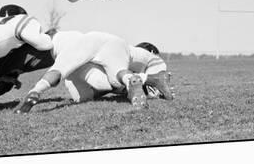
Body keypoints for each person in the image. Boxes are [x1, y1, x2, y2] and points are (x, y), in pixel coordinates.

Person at [14, 31, 171, 114]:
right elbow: (155, 60)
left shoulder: (62, 43)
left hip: (90, 46)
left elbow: (57, 70)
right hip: (105, 45)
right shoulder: (71, 37)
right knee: (88, 93)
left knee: (60, 71)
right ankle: (146, 79)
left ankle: (35, 91)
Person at [63, 42, 173, 103]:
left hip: (75, 70)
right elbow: (151, 94)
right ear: (152, 52)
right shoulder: (144, 57)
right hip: (82, 65)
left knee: (83, 98)